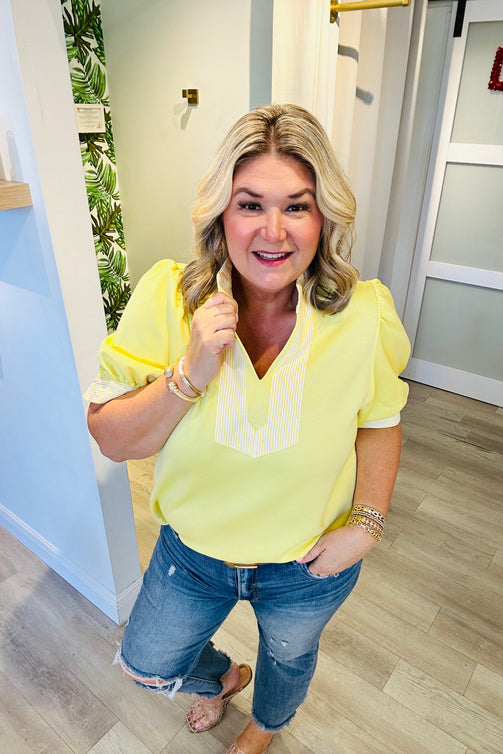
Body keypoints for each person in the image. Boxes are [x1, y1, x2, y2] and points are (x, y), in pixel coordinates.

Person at [85, 103, 410, 754]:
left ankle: (264, 727)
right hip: (192, 554)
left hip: (307, 564)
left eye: (297, 206)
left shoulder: (363, 313)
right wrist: (189, 371)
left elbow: (380, 423)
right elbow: (114, 440)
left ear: (323, 217)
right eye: (250, 204)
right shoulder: (168, 297)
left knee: (289, 658)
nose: (274, 230)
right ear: (220, 213)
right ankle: (224, 677)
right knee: (147, 659)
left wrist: (366, 525)